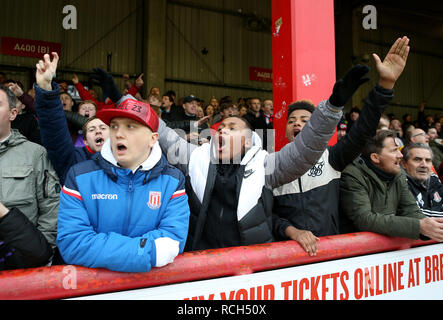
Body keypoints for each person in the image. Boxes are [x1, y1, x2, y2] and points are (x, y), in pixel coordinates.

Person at [104, 63, 369, 252]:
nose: (222, 132)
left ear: (246, 140)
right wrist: (122, 99)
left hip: (250, 269)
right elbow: (162, 133)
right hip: (200, 261)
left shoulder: (267, 165)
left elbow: (305, 149)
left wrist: (333, 105)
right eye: (221, 128)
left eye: (232, 129)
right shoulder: (195, 158)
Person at [273, 36, 411, 255]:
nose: (297, 123)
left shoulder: (333, 157)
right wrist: (293, 231)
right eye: (291, 121)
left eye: (305, 121)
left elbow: (363, 130)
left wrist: (385, 86)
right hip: (283, 261)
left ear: (317, 128)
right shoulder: (271, 165)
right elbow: (266, 215)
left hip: (332, 257)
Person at [56, 96, 190, 273]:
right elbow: (73, 242)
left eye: (131, 126)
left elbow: (172, 241)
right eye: (114, 126)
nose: (118, 133)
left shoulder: (172, 180)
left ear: (153, 138)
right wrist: (146, 252)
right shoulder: (80, 176)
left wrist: (106, 251)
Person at [339, 130, 443, 242]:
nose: (400, 155)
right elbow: (364, 219)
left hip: (385, 252)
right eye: (394, 151)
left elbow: (409, 209)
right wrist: (419, 227)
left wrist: (432, 227)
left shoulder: (398, 174)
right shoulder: (352, 175)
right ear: (375, 158)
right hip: (355, 252)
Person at [0, 84, 59, 270]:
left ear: (13, 114)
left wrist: (41, 253)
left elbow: (51, 209)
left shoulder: (35, 154)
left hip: (21, 262)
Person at [34, 53, 110, 185]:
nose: (98, 131)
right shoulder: (74, 160)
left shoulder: (126, 160)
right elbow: (55, 132)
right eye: (92, 129)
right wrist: (46, 89)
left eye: (103, 128)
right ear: (85, 141)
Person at [401, 143, 443, 218]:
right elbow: (417, 220)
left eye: (428, 160)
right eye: (417, 159)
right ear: (404, 164)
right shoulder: (400, 183)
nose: (424, 165)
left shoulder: (434, 179)